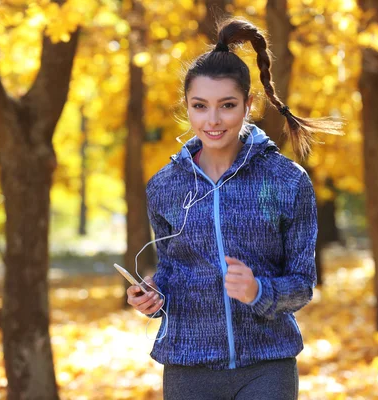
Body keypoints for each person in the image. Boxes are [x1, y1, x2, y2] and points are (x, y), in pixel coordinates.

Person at [126, 17, 343, 400]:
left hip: (266, 368)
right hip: (188, 367)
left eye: (227, 105)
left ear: (249, 104)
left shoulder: (287, 181)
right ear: (187, 108)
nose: (212, 120)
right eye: (200, 106)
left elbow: (301, 285)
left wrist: (258, 290)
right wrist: (153, 297)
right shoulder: (164, 186)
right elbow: (173, 273)